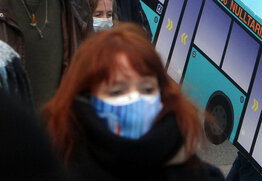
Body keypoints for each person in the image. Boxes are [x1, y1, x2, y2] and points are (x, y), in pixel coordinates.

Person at [42, 24, 225, 180]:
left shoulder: (198, 175)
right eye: (117, 91)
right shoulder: (51, 168)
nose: (135, 99)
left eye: (147, 89)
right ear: (86, 97)